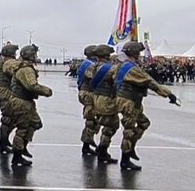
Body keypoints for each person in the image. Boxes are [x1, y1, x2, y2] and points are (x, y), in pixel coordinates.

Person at [114, 41, 179, 171]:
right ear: (135, 53)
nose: (140, 54)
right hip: (129, 102)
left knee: (144, 123)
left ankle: (130, 148)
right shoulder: (132, 68)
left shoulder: (124, 65)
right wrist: (169, 94)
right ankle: (125, 160)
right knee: (129, 130)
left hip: (130, 100)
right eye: (138, 52)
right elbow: (150, 82)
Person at [7, 44, 53, 168]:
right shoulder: (26, 69)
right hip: (22, 102)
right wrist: (45, 91)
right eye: (34, 54)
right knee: (22, 129)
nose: (36, 56)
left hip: (26, 101)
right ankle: (17, 156)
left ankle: (22, 147)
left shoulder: (26, 67)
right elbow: (31, 86)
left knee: (35, 123)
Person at [87, 44, 121, 165]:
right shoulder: (111, 68)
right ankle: (102, 150)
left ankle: (100, 148)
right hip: (107, 100)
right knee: (111, 125)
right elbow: (117, 82)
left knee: (103, 122)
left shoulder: (93, 67)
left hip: (97, 98)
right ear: (107, 55)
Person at [76, 45, 101, 157]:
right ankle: (86, 144)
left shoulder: (85, 63)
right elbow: (96, 78)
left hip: (85, 91)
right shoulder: (91, 65)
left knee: (92, 119)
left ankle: (87, 144)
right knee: (92, 119)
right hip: (89, 93)